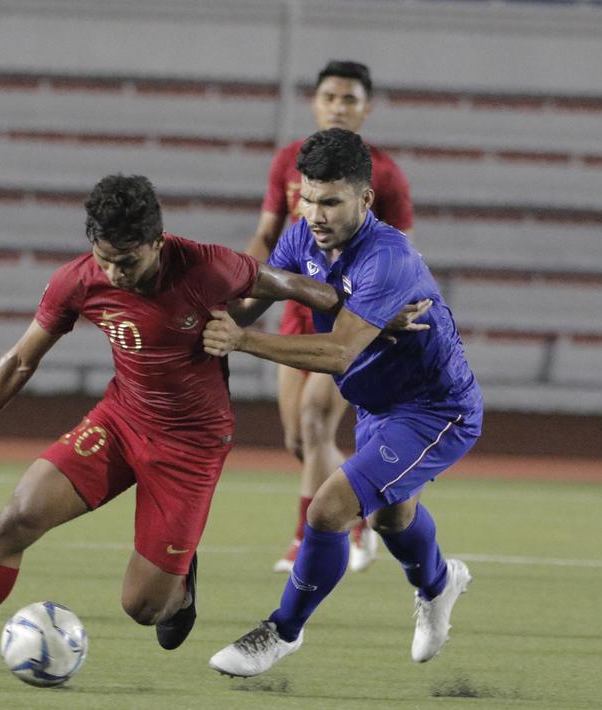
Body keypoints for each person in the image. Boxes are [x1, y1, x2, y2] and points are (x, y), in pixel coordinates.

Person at [0, 174, 354, 689]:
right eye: (104, 258)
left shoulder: (207, 266)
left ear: (158, 241)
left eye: (127, 261)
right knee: (16, 518)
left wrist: (371, 312)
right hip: (120, 421)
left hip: (192, 446)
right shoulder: (79, 280)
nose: (114, 272)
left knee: (145, 608)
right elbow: (19, 361)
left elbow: (295, 287)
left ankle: (179, 589)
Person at [204, 128, 480, 677]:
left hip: (436, 409)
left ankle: (281, 632)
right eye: (307, 199)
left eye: (330, 201)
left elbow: (337, 352)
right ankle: (439, 584)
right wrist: (189, 326)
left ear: (365, 199)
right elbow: (250, 302)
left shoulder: (387, 258)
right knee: (391, 518)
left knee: (329, 509)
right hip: (378, 406)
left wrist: (241, 341)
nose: (315, 214)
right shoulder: (300, 238)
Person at [245, 61, 414, 574]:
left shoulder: (385, 175)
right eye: (330, 97)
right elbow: (268, 234)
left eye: (349, 99)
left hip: (349, 318)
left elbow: (401, 250)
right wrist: (241, 279)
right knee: (300, 441)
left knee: (316, 419)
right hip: (296, 310)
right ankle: (365, 505)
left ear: (367, 108)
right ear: (315, 103)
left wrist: (379, 308)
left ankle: (308, 538)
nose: (338, 107)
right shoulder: (288, 162)